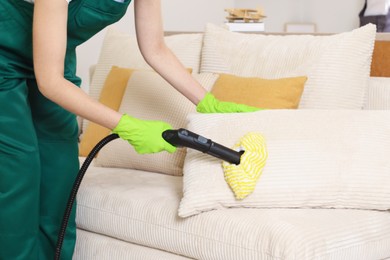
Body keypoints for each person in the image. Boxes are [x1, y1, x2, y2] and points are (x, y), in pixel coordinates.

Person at [0, 0, 258, 259]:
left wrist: (207, 101)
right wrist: (127, 126)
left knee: (60, 178)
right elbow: (51, 83)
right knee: (19, 173)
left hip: (56, 59)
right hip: (5, 61)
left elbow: (155, 48)